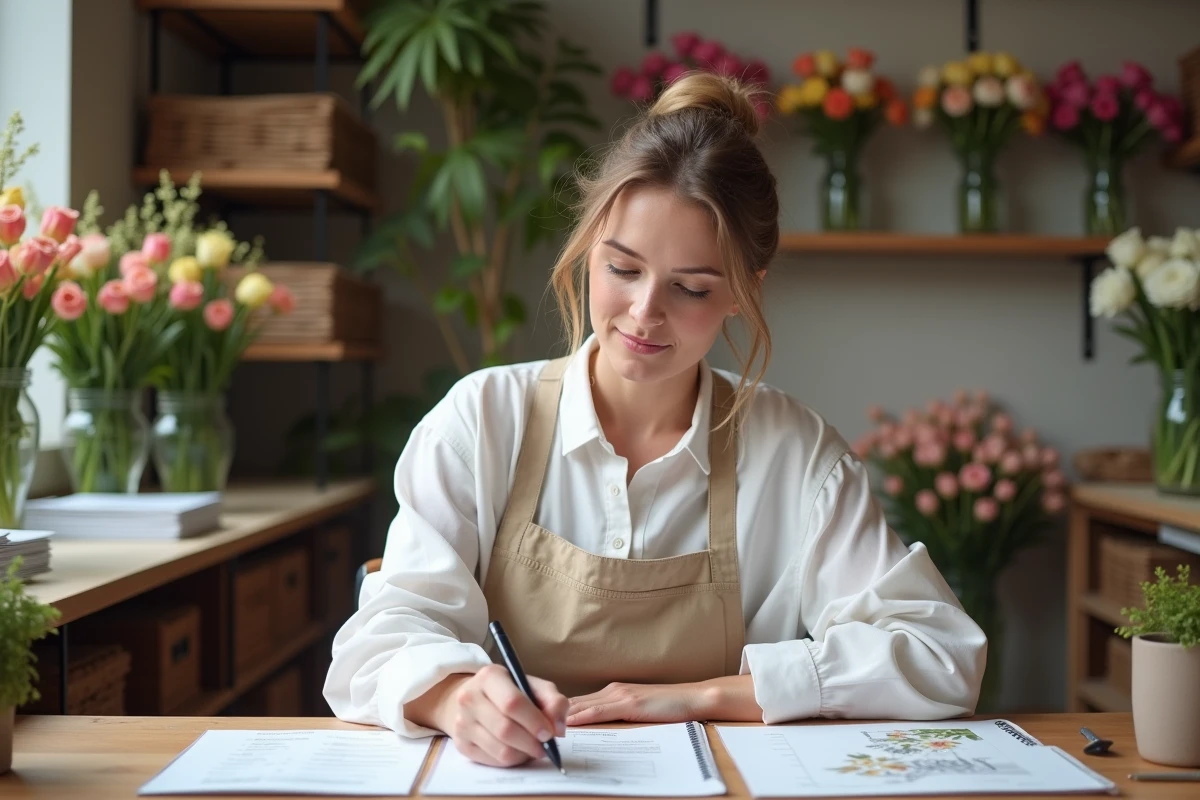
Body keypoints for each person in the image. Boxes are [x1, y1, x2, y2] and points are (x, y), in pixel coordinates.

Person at [324, 71, 987, 769]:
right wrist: (457, 697)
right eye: (622, 268)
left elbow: (943, 654)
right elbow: (378, 640)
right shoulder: (483, 421)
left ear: (743, 292)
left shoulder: (793, 452)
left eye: (691, 287)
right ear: (587, 248)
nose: (644, 312)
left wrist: (701, 697)